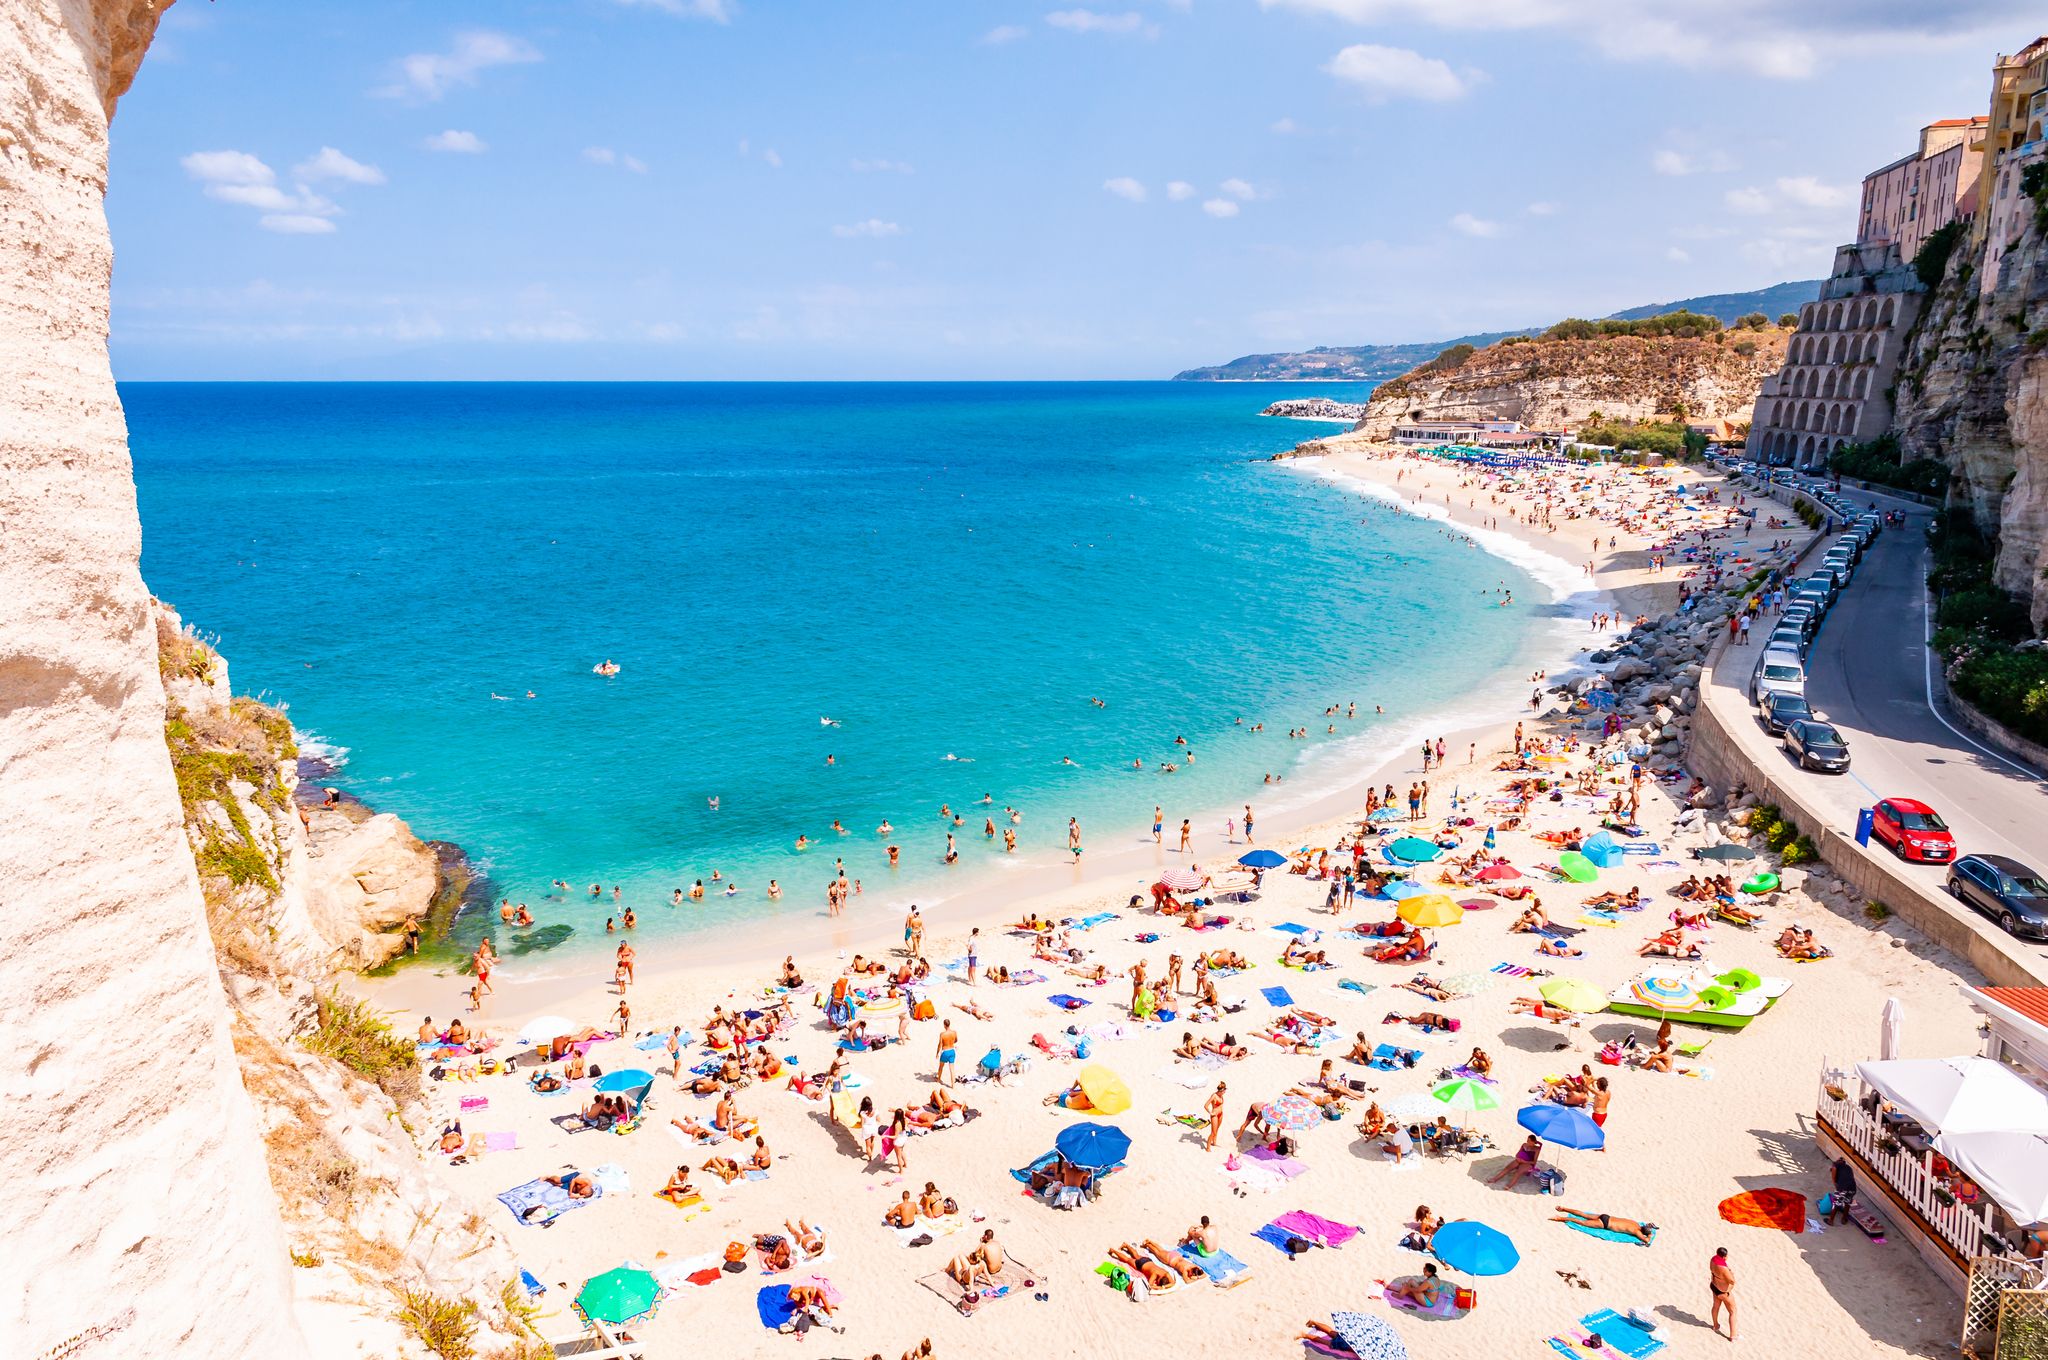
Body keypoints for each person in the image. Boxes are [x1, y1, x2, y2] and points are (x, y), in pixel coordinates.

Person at [1552, 1208, 1656, 1244]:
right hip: (1605, 1224)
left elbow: (1645, 1226)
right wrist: (1650, 1235)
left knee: (1584, 1214)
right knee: (1582, 1222)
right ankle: (1561, 1218)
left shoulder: (1635, 1223)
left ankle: (1564, 1208)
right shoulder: (1636, 1231)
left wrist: (1649, 1228)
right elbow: (1646, 1240)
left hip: (1606, 1217)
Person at [1709, 1247, 1737, 1341]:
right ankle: (1733, 1335)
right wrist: (1731, 1272)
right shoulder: (1724, 1268)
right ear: (1724, 1256)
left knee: (1716, 1306)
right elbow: (1732, 1281)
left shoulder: (1713, 1259)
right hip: (1723, 1291)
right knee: (1733, 1311)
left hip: (1714, 1286)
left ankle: (1715, 1325)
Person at [1825, 1157, 1857, 1226]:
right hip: (1853, 1188)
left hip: (1843, 1187)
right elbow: (1848, 1177)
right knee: (1847, 1202)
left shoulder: (1835, 1166)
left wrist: (1837, 1190)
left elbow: (1834, 1179)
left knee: (1836, 1203)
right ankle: (1844, 1219)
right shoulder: (1848, 1167)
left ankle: (1830, 1220)